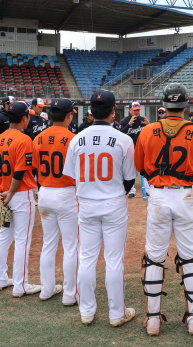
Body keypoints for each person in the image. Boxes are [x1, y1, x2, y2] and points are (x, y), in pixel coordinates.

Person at [135, 83, 193, 336]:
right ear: (186, 105)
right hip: (187, 194)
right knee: (190, 257)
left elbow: (140, 167)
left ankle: (153, 319)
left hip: (158, 195)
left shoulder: (147, 130)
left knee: (154, 258)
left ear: (164, 105)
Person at [63, 90, 137, 326]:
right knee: (114, 260)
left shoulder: (76, 139)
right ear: (113, 111)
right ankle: (116, 314)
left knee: (86, 258)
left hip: (86, 203)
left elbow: (72, 176)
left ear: (90, 112)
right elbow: (128, 181)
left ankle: (86, 311)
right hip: (114, 201)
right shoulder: (123, 139)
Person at [0, 101, 41, 296]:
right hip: (19, 194)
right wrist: (10, 192)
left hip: (2, 194)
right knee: (22, 240)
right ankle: (21, 285)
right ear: (25, 118)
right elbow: (20, 170)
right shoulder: (24, 139)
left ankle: (0, 279)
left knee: (4, 237)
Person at [34, 99, 77, 304]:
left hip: (44, 193)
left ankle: (46, 289)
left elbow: (34, 166)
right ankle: (69, 294)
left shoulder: (39, 137)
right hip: (66, 193)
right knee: (70, 246)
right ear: (69, 115)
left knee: (48, 244)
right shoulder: (73, 138)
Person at [118, 101, 150, 198]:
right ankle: (132, 191)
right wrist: (129, 124)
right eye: (134, 110)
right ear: (130, 110)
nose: (136, 112)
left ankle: (148, 190)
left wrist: (149, 125)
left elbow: (151, 133)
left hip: (141, 148)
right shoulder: (124, 121)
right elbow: (119, 133)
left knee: (144, 170)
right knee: (130, 170)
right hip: (129, 149)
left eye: (138, 110)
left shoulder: (142, 120)